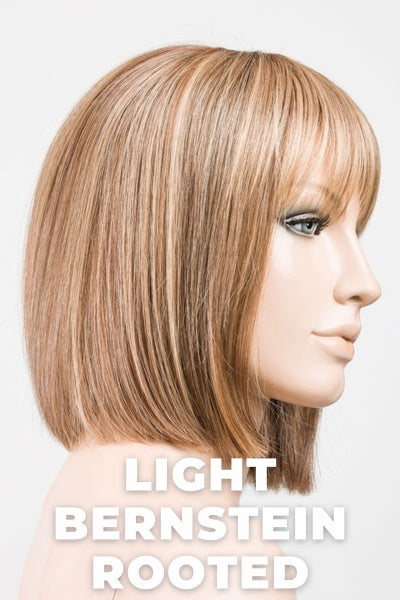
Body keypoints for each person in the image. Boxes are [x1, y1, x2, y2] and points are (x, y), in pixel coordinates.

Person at [18, 44, 381, 599]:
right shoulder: (214, 554)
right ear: (179, 243)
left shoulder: (87, 495)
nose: (364, 283)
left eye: (356, 230)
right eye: (306, 223)